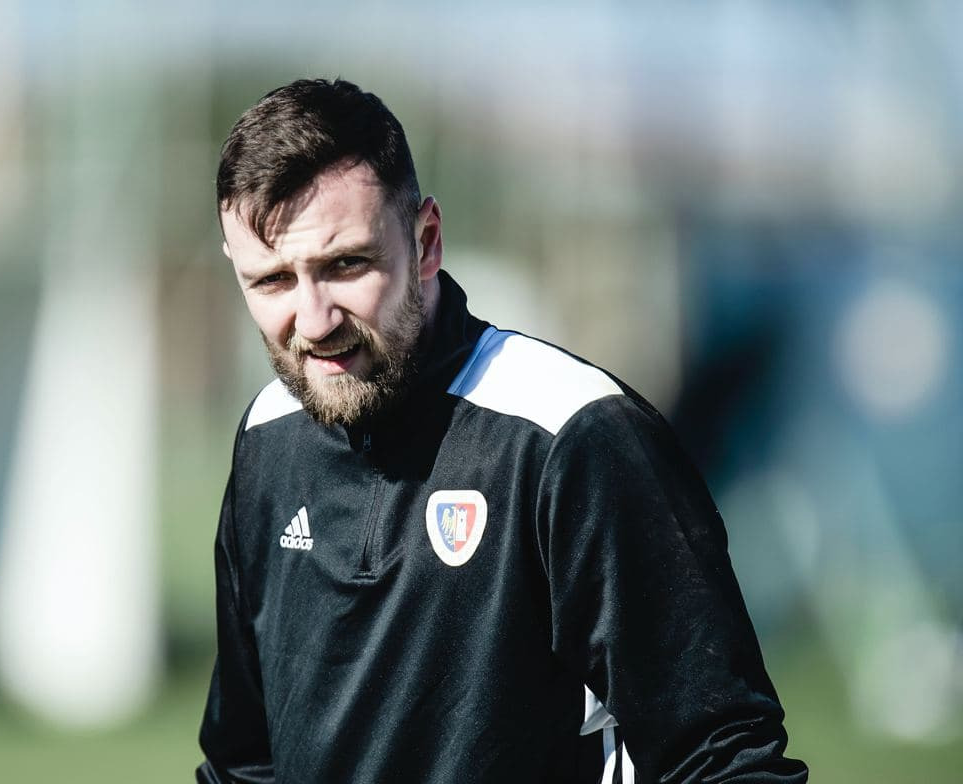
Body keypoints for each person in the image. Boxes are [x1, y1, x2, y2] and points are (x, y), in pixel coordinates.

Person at [197, 78, 808, 783]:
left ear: (426, 242)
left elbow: (724, 760)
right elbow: (243, 765)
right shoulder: (268, 437)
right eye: (272, 281)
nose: (313, 321)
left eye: (346, 265)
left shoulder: (570, 436)